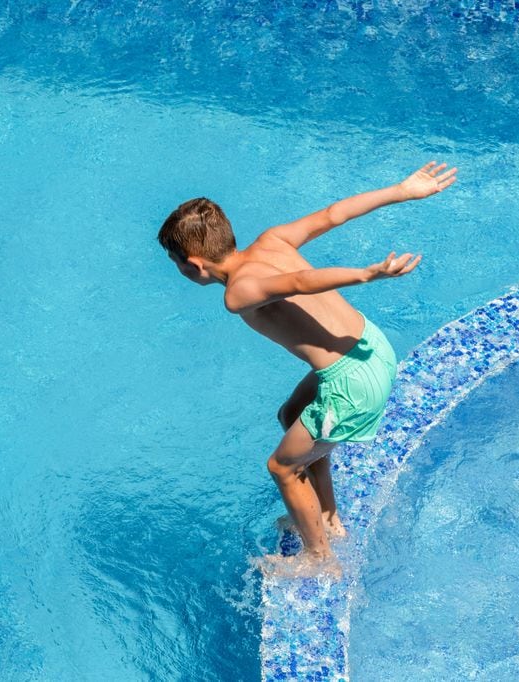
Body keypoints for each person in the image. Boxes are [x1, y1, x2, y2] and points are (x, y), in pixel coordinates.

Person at [157, 161, 458, 573]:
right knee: (292, 414)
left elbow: (297, 284)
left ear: (193, 264)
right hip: (370, 345)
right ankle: (328, 518)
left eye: (177, 264)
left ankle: (320, 560)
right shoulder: (273, 240)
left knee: (281, 466)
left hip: (351, 382)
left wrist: (366, 275)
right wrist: (401, 190)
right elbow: (334, 213)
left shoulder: (238, 292)